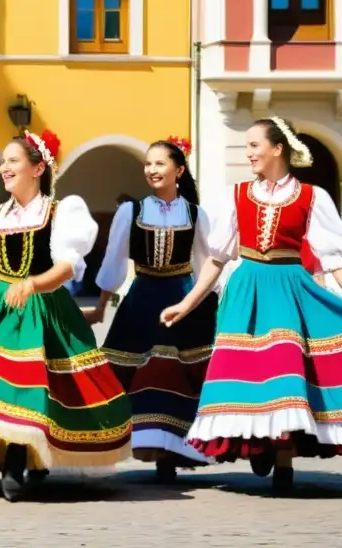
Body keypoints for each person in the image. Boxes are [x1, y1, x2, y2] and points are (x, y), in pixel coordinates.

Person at [0, 131, 131, 502]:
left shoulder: (60, 211)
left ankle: (26, 456)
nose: (4, 167)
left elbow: (67, 267)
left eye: (13, 160)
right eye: (3, 161)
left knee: (41, 386)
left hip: (43, 307)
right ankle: (14, 458)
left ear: (37, 168)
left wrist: (33, 284)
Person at [161, 117, 342, 490]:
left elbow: (332, 257)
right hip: (246, 287)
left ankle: (284, 460)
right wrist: (188, 303)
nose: (250, 153)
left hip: (290, 287)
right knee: (243, 371)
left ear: (278, 148)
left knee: (285, 370)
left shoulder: (311, 196)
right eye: (247, 147)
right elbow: (217, 258)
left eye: (255, 145)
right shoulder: (236, 194)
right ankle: (258, 445)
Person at [85, 138, 218, 482]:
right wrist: (101, 307)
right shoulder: (131, 211)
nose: (152, 170)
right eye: (148, 164)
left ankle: (170, 452)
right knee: (133, 373)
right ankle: (119, 445)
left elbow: (209, 264)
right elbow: (113, 260)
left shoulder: (195, 213)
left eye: (160, 163)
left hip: (184, 300)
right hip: (142, 298)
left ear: (179, 170)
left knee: (177, 374)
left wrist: (211, 302)